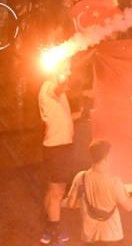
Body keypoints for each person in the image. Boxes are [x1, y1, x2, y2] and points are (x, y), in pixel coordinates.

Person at [65, 140, 132, 244]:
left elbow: (70, 204)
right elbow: (128, 206)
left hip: (89, 237)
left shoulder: (80, 177)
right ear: (106, 158)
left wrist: (85, 201)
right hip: (111, 236)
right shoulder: (114, 181)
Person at [39, 71, 79, 245]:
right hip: (58, 149)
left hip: (57, 148)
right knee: (57, 193)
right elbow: (59, 87)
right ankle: (53, 233)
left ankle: (48, 221)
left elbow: (64, 117)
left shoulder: (56, 93)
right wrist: (63, 79)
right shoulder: (49, 87)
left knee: (53, 189)